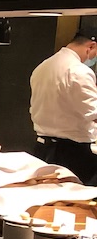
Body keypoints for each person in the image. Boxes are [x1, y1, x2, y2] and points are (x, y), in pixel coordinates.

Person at [29, 31, 97, 183]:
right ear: (91, 46)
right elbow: (94, 112)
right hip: (70, 154)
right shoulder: (78, 70)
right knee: (76, 197)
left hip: (42, 149)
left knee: (44, 195)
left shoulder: (42, 66)